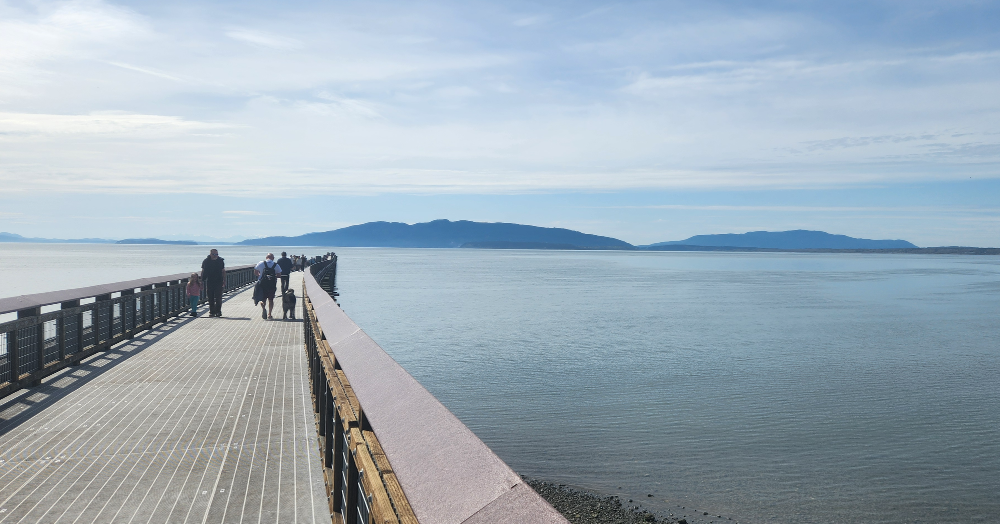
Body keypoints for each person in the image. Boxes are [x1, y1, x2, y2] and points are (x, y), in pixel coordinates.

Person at [254, 253, 282, 320]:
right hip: (272, 284)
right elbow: (279, 275)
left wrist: (260, 275)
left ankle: (263, 308)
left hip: (262, 284)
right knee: (271, 299)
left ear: (266, 257)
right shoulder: (276, 265)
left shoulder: (261, 263)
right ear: (273, 258)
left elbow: (255, 272)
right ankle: (269, 314)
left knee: (263, 299)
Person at [201, 249, 226, 317]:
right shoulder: (206, 261)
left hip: (219, 281)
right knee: (210, 297)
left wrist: (224, 280)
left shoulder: (220, 261)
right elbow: (203, 271)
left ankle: (218, 311)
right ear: (210, 254)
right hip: (210, 281)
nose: (215, 256)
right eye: (214, 254)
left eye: (217, 254)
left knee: (218, 297)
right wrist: (202, 281)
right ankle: (212, 311)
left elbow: (223, 271)